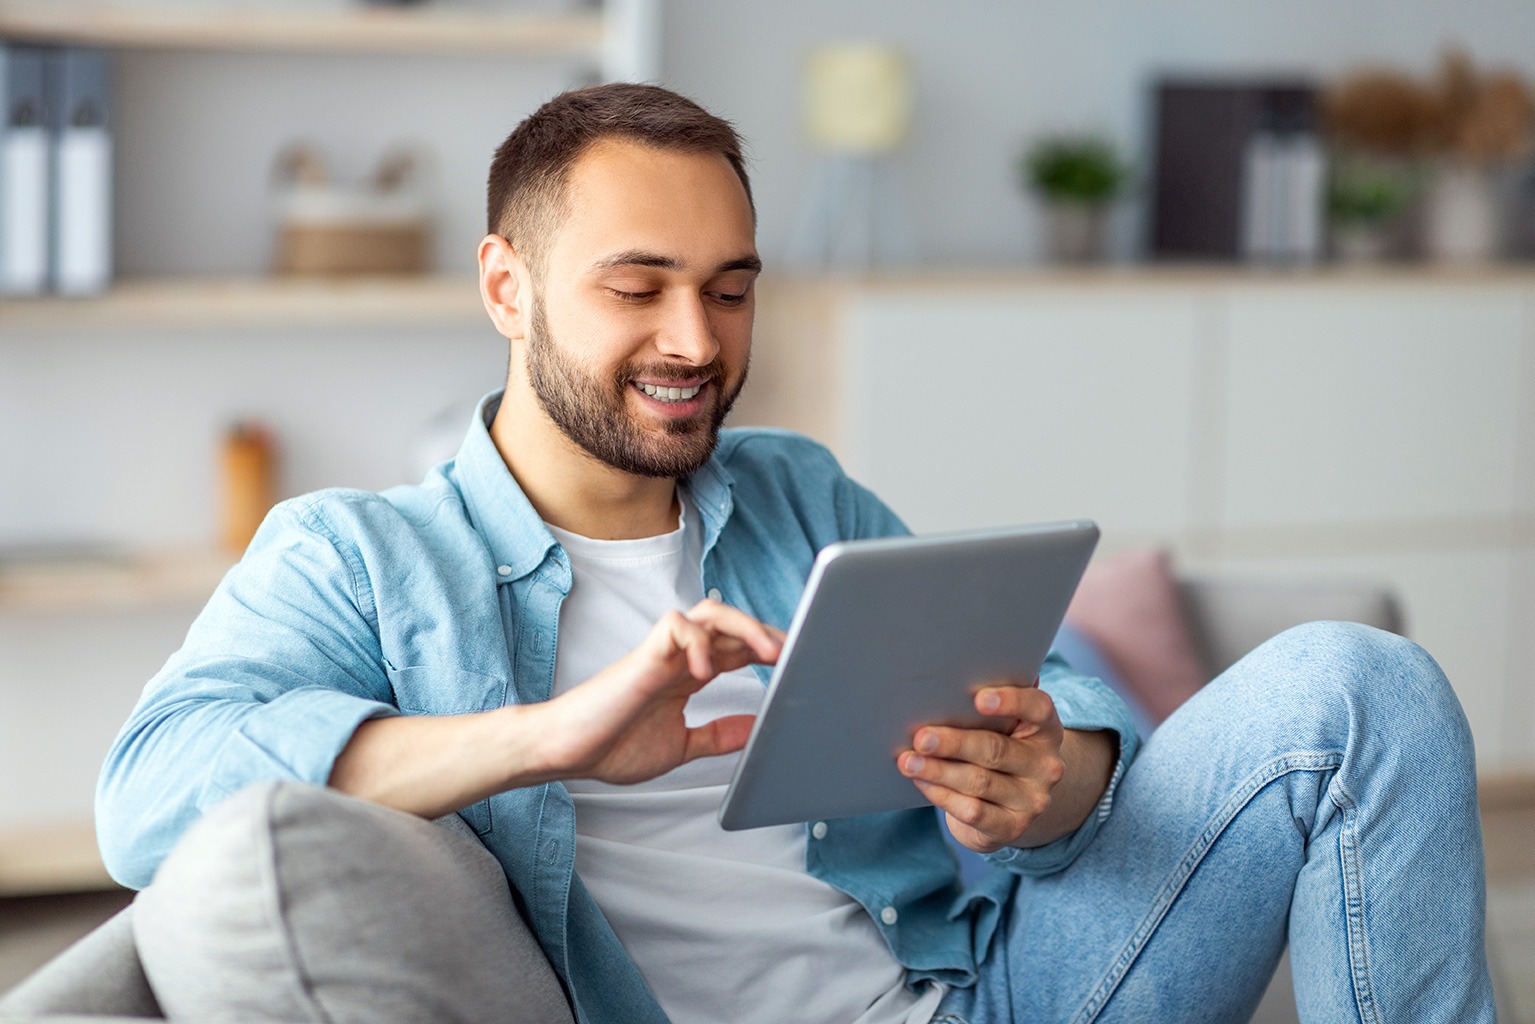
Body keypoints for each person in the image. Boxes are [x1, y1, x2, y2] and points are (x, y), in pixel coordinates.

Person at [91, 84, 1494, 1024]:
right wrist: (548, 737)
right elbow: (150, 792)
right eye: (636, 288)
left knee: (1357, 683)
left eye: (731, 288)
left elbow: (1054, 686)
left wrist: (1050, 782)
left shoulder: (792, 493)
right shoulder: (363, 556)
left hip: (989, 990)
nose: (696, 343)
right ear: (506, 289)